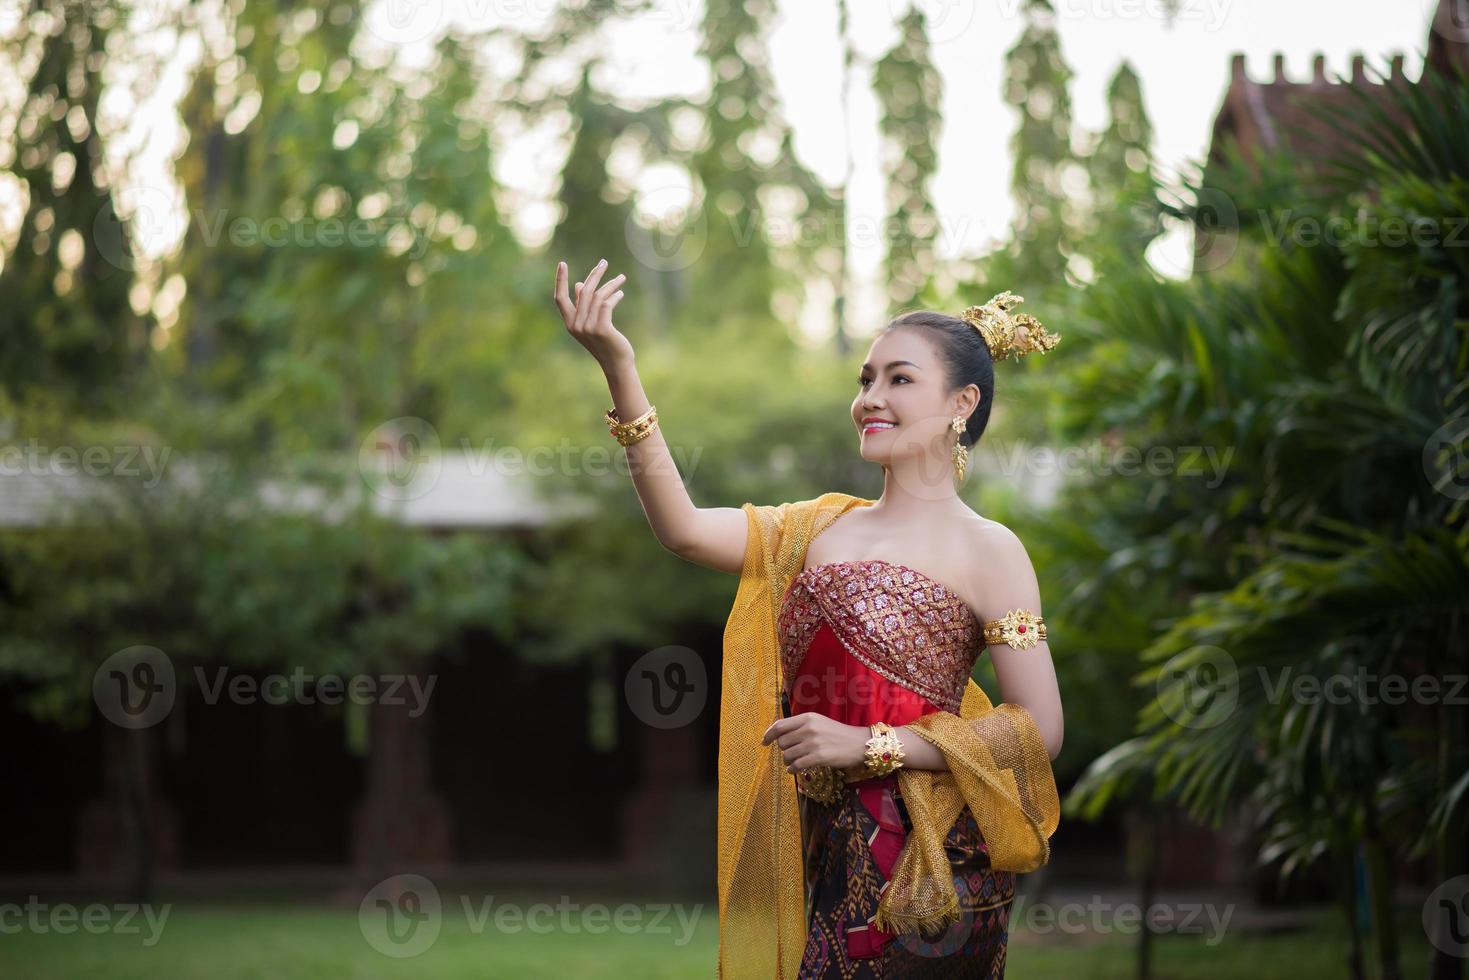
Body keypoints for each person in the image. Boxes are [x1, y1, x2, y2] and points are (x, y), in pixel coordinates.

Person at [553, 259, 1064, 979]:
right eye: (864, 379)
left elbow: (1036, 727)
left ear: (962, 402)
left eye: (899, 379)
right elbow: (684, 530)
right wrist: (619, 367)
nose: (870, 398)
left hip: (930, 863)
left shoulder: (990, 550)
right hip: (823, 846)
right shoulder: (816, 530)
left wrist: (869, 745)